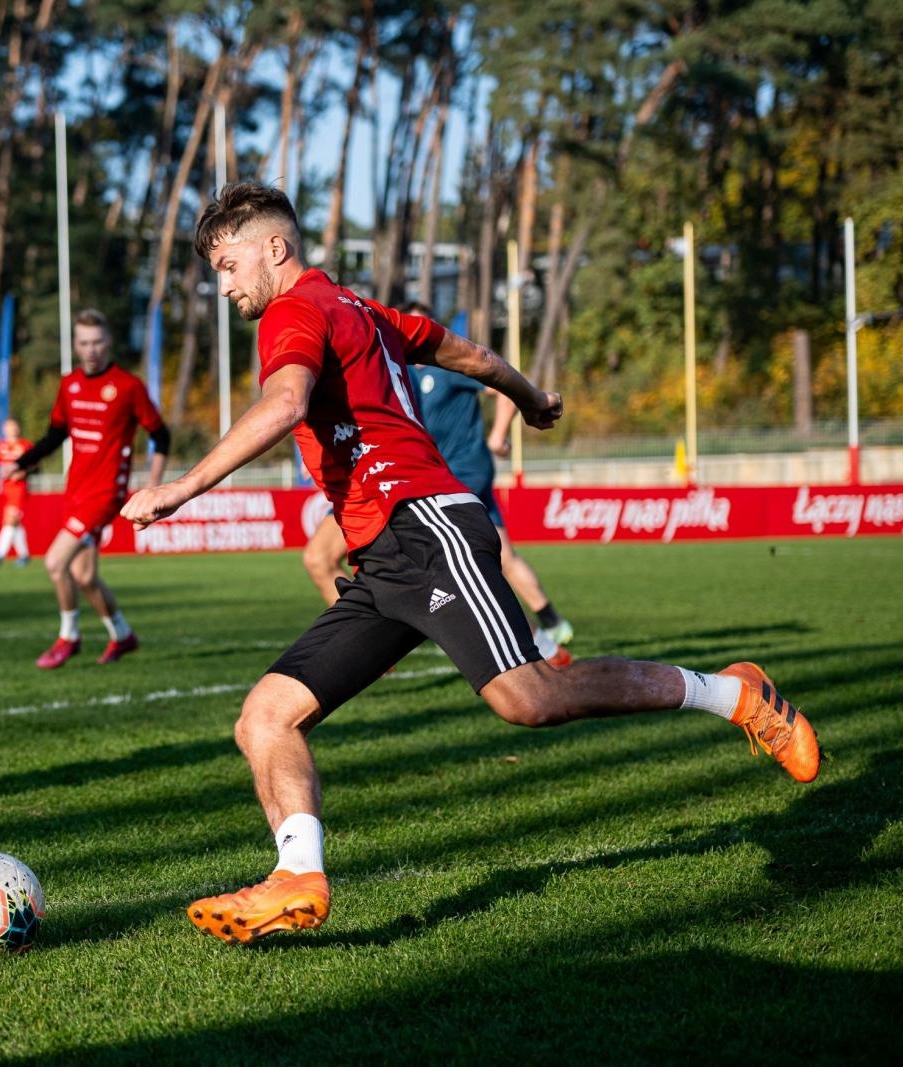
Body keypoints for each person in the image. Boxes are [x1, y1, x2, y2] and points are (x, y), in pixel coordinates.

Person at [121, 181, 820, 944]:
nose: (224, 286)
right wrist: (530, 397)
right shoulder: (366, 310)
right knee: (265, 717)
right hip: (384, 558)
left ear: (275, 249)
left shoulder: (296, 311)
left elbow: (286, 404)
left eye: (229, 265)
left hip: (428, 526)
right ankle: (296, 875)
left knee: (531, 698)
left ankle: (735, 693)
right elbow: (473, 355)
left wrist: (182, 487)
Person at [300, 303, 576, 657]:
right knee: (489, 559)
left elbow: (493, 377)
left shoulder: (442, 367)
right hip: (406, 474)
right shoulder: (393, 367)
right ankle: (545, 635)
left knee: (450, 565)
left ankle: (538, 643)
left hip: (448, 472)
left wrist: (499, 433)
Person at [8, 309, 170, 669]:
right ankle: (122, 635)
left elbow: (161, 435)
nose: (91, 350)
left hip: (105, 493)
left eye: (97, 342)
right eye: (84, 343)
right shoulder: (69, 385)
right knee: (84, 577)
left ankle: (68, 637)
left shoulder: (128, 387)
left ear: (108, 342)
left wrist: (152, 484)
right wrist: (23, 463)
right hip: (76, 490)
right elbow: (56, 434)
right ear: (76, 345)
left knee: (55, 563)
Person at [0, 417, 32, 566]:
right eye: (8, 426)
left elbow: (36, 466)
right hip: (5, 489)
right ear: (4, 429)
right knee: (15, 522)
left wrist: (23, 473)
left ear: (18, 428)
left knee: (10, 520)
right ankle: (24, 555)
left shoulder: (25, 446)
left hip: (19, 489)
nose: (11, 429)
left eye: (13, 426)